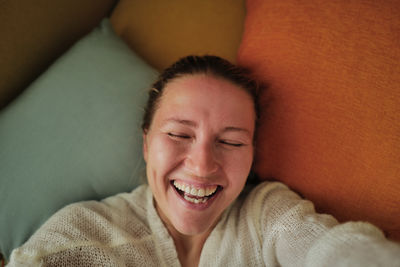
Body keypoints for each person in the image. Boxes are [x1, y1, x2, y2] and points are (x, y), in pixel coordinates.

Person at [8, 55, 400, 266]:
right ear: (146, 145)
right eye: (179, 135)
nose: (201, 165)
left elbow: (332, 249)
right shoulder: (84, 234)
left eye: (230, 142)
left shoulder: (265, 216)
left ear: (252, 155)